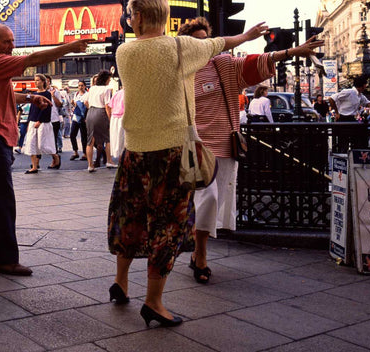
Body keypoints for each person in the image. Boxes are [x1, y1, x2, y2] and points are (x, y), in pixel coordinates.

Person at [108, 0, 268, 327]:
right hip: (171, 152)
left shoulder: (124, 52)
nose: (127, 19)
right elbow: (222, 43)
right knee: (168, 223)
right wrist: (249, 35)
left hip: (134, 150)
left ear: (137, 17)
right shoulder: (181, 48)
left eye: (128, 15)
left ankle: (121, 282)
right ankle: (153, 301)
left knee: (130, 215)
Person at [178, 17, 322, 285]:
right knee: (205, 199)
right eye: (195, 41)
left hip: (224, 145)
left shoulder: (222, 65)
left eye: (205, 40)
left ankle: (199, 252)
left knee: (213, 203)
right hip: (193, 146)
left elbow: (255, 62)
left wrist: (291, 52)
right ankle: (198, 254)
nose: (201, 46)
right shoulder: (178, 70)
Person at [0, 24, 89, 276]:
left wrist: (30, 98)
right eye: (7, 41)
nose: (12, 45)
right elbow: (34, 59)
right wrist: (69, 47)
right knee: (3, 197)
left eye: (13, 41)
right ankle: (4, 260)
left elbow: (4, 95)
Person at [23, 74, 56, 174]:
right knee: (31, 144)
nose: (36, 82)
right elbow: (32, 109)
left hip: (42, 122)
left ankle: (55, 156)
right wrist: (30, 122)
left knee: (43, 145)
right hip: (33, 120)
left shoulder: (47, 94)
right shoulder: (34, 94)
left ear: (43, 81)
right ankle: (34, 166)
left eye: (38, 80)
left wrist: (39, 120)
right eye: (35, 80)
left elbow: (46, 109)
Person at [84, 71, 113, 172]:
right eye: (109, 79)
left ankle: (90, 165)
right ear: (106, 79)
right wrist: (110, 120)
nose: (110, 80)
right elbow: (107, 106)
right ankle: (109, 161)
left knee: (90, 141)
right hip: (100, 112)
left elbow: (85, 102)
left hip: (90, 112)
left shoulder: (92, 88)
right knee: (107, 138)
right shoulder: (106, 89)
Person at [70, 81, 88, 160]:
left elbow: (87, 106)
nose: (80, 87)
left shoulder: (87, 95)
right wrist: (73, 104)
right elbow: (75, 105)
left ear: (85, 86)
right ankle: (75, 152)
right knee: (72, 135)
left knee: (83, 136)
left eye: (82, 85)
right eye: (79, 85)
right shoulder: (76, 94)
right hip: (75, 117)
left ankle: (85, 153)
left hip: (83, 117)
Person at [108, 86, 124, 165]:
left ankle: (119, 157)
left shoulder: (116, 94)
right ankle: (122, 159)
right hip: (122, 118)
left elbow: (110, 107)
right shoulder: (128, 94)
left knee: (116, 139)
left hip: (114, 118)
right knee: (123, 141)